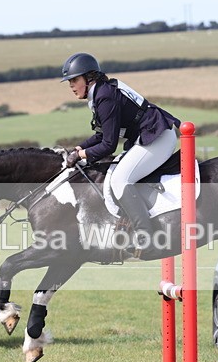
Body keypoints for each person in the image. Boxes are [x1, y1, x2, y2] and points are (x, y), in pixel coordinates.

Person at [61, 52, 180, 255]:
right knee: (115, 174)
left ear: (89, 78)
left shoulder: (104, 95)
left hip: (157, 137)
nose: (71, 86)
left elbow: (109, 145)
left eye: (74, 80)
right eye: (69, 82)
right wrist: (79, 148)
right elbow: (101, 135)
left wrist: (81, 156)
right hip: (147, 137)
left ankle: (146, 238)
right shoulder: (100, 93)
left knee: (120, 180)